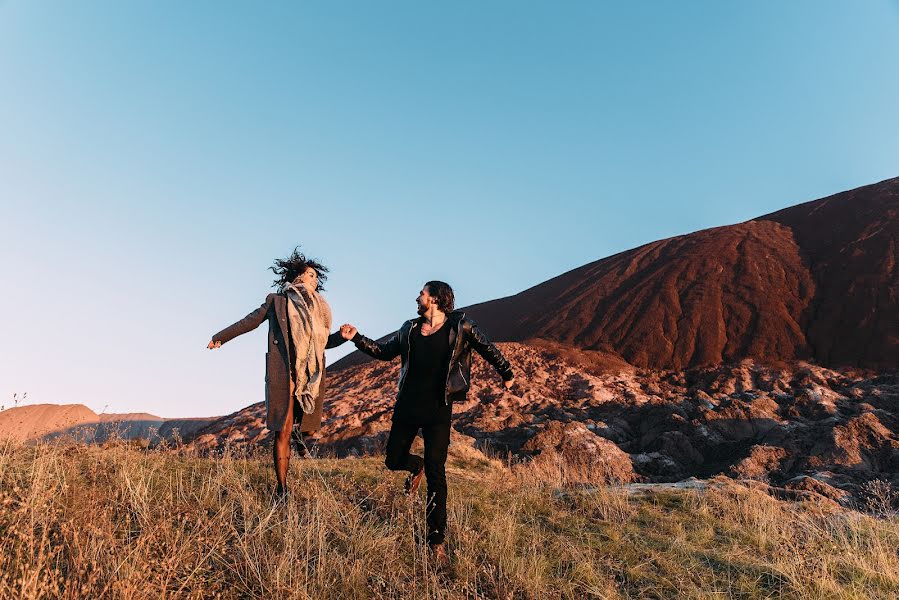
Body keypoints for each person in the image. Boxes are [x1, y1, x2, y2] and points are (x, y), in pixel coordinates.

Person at [343, 281, 514, 565]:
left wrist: (506, 372)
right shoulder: (409, 329)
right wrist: (356, 337)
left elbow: (487, 347)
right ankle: (414, 466)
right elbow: (385, 352)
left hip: (439, 408)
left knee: (438, 472)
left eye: (421, 294)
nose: (416, 297)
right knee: (393, 459)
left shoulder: (461, 326)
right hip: (407, 405)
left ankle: (436, 540)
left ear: (435, 298)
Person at [207, 248, 355, 500]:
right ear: (298, 276)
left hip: (310, 375)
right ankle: (282, 489)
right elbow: (249, 321)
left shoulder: (319, 311)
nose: (314, 280)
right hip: (283, 371)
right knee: (282, 430)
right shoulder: (277, 301)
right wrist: (221, 337)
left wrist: (342, 337)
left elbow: (322, 344)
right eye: (310, 275)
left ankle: (301, 435)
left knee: (308, 430)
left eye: (317, 278)